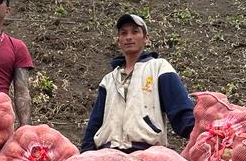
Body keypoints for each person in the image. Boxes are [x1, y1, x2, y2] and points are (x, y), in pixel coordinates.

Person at [80, 13, 195, 152]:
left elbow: (180, 108)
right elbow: (95, 122)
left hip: (146, 151)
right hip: (108, 152)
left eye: (135, 32)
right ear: (119, 41)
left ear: (146, 38)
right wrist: (85, 152)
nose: (129, 37)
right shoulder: (109, 79)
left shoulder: (158, 68)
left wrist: (199, 134)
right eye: (124, 33)